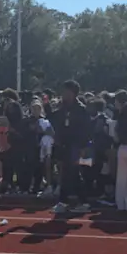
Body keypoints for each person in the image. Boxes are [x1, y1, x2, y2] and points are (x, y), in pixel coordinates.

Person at [50, 80, 93, 213]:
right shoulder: (63, 108)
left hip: (77, 146)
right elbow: (56, 123)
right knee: (67, 173)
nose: (63, 94)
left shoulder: (81, 110)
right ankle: (67, 201)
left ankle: (79, 201)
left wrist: (83, 147)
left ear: (73, 93)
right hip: (65, 145)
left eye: (66, 92)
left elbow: (87, 130)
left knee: (73, 173)